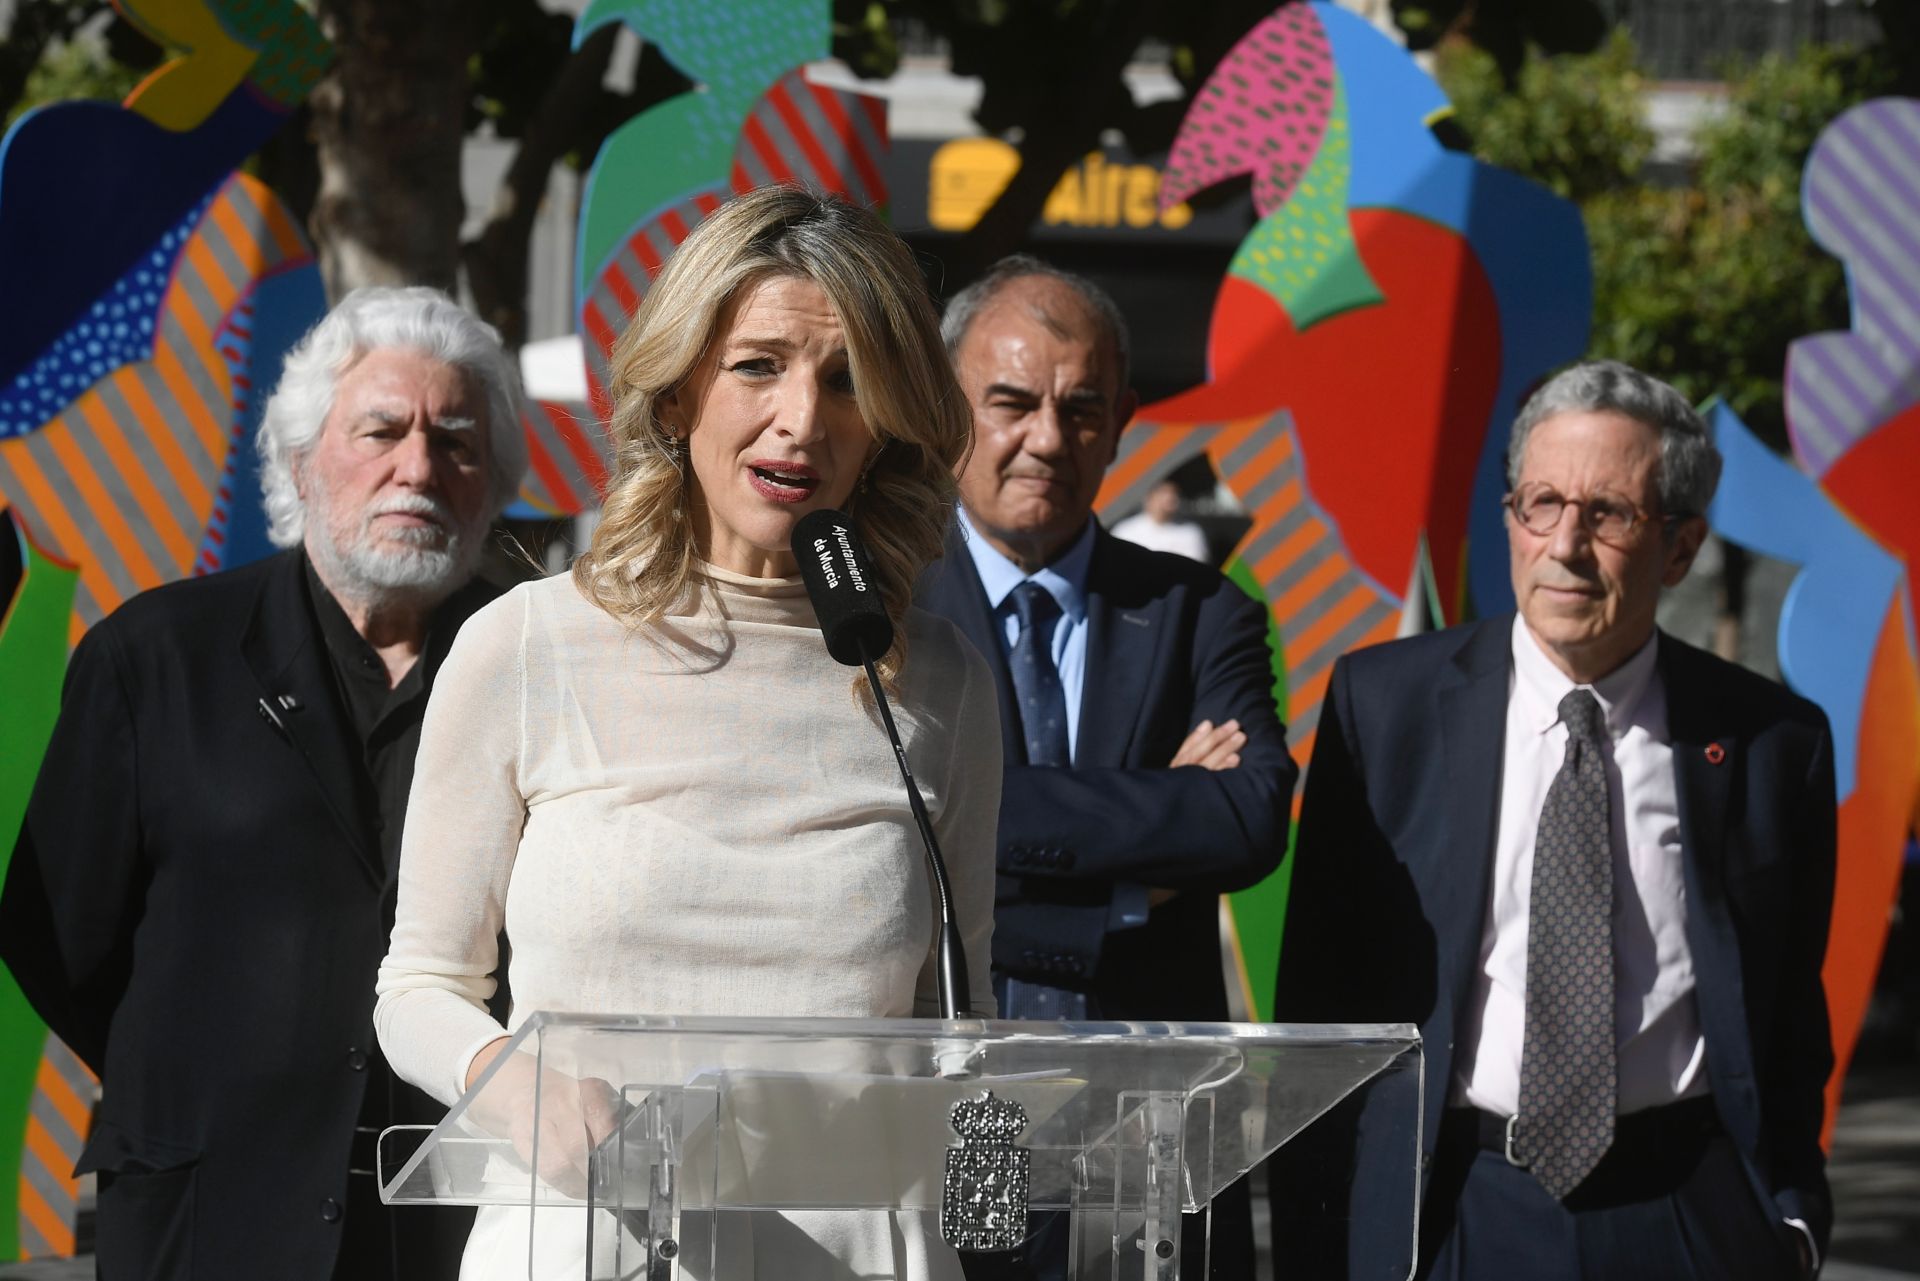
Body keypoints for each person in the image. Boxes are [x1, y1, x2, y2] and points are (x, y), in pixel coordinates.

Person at [372, 188, 1000, 1280]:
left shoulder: (941, 681)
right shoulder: (526, 646)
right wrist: (512, 1081)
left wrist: (993, 1229)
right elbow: (419, 987)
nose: (802, 418)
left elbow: (965, 1021)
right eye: (759, 365)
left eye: (847, 380)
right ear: (678, 398)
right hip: (583, 1242)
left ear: (888, 425)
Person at [0, 286, 528, 1280]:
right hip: (206, 1213)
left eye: (456, 442)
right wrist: (204, 1068)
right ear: (298, 460)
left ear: (492, 481)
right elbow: (54, 938)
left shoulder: (541, 665)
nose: (417, 468)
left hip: (453, 1220)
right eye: (381, 431)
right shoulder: (154, 658)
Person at [1272, 360, 1834, 1281]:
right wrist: (1318, 1235)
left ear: (1682, 547)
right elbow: (1322, 1001)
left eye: (1608, 514)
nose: (1566, 544)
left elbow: (1787, 1009)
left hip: (1687, 1210)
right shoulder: (1384, 708)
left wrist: (1793, 1217)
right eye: (1542, 504)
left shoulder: (1772, 742)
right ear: (1509, 519)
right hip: (1457, 1204)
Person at [915, 255, 1296, 1278]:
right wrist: (1145, 861)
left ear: (1124, 418)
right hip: (955, 1100)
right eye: (1010, 403)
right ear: (943, 404)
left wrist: (986, 831)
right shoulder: (883, 610)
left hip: (1148, 1121)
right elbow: (902, 823)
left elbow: (1253, 818)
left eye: (1082, 410)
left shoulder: (1198, 611)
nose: (1047, 439)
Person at [1109, 479, 1209, 563]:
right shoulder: (1125, 531)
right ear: (1149, 498)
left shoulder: (1191, 532)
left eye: (1174, 493)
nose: (1170, 498)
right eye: (1163, 492)